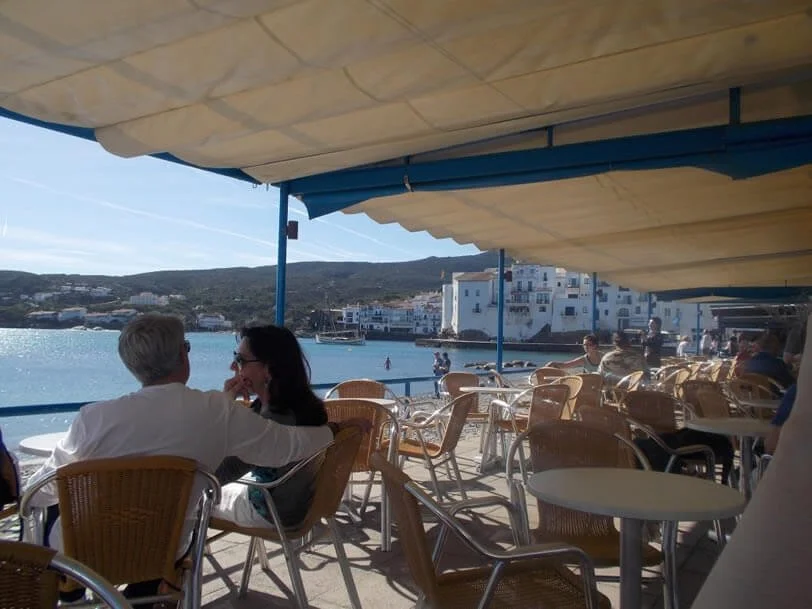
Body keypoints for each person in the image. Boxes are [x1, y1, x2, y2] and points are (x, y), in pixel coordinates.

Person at [24, 314, 335, 602]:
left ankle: (70, 595)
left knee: (51, 502)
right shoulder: (217, 412)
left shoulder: (93, 419)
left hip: (88, 555)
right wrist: (332, 432)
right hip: (167, 548)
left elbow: (39, 490)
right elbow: (286, 446)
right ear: (182, 356)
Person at [213, 325, 328, 529]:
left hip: (272, 509)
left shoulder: (273, 420)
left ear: (268, 369)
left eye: (241, 360)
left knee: (193, 499)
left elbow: (221, 473)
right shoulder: (302, 407)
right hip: (301, 503)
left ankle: (183, 557)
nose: (233, 366)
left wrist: (226, 405)